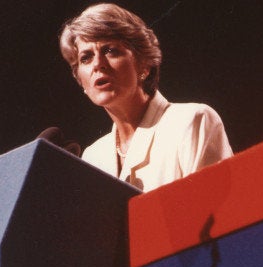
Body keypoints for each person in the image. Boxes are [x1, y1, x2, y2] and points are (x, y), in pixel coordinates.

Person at [59, 3, 233, 192]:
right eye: (86, 58)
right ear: (80, 81)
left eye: (110, 51)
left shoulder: (191, 121)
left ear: (144, 65)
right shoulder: (93, 157)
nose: (98, 64)